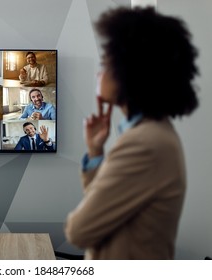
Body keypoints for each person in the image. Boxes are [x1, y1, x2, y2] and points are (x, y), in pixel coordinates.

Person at [65, 7, 199, 259]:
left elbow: (79, 231)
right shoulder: (152, 134)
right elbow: (109, 209)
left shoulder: (145, 143)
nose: (98, 74)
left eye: (104, 64)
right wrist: (95, 151)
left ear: (130, 72)